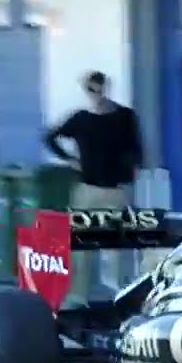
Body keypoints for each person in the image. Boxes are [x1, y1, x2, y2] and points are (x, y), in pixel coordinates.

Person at [43, 71, 144, 297]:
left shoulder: (124, 116)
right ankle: (81, 296)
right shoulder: (81, 119)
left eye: (99, 89)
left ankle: (122, 295)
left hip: (116, 189)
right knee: (82, 248)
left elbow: (137, 147)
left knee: (119, 248)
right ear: (86, 91)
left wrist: (135, 169)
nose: (96, 94)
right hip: (87, 189)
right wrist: (69, 159)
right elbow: (50, 137)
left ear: (105, 88)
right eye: (91, 90)